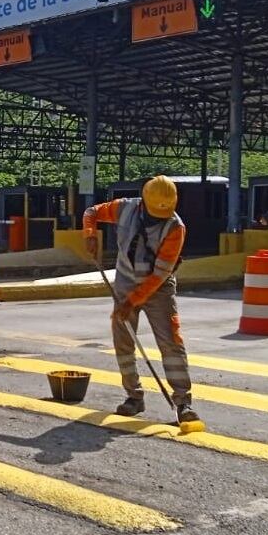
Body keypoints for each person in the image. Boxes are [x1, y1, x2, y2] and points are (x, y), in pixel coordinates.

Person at [82, 175, 201, 426]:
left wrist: (131, 302)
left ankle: (183, 402)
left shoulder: (175, 227)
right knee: (124, 343)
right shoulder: (124, 208)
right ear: (144, 202)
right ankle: (134, 397)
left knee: (170, 343)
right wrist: (90, 234)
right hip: (125, 284)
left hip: (159, 290)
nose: (160, 218)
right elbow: (91, 212)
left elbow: (159, 274)